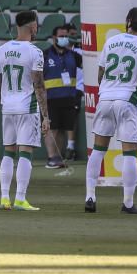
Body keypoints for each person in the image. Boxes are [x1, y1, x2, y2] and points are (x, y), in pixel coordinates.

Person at [84, 7, 137, 215]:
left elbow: (100, 72)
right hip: (127, 101)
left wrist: (105, 91)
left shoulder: (111, 41)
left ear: (128, 21)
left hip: (105, 99)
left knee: (98, 151)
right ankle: (127, 203)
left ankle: (90, 196)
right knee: (129, 155)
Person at [0, 11, 49, 212]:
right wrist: (46, 116)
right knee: (25, 152)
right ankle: (20, 198)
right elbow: (39, 85)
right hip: (28, 107)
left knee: (8, 151)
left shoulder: (1, 50)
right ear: (33, 27)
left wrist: (2, 102)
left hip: (7, 108)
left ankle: (3, 197)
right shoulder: (35, 52)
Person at [42, 25, 82, 169]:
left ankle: (58, 157)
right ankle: (51, 157)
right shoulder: (45, 55)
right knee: (52, 129)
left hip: (69, 97)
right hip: (50, 98)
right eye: (61, 36)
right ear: (54, 38)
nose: (64, 39)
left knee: (63, 129)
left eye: (66, 36)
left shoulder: (74, 56)